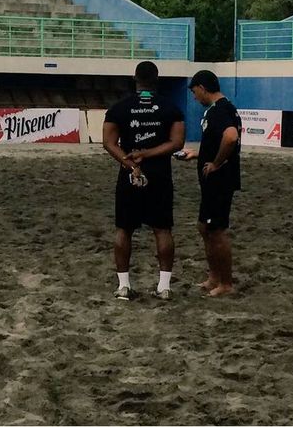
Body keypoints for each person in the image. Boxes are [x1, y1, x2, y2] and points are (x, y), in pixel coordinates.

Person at [102, 61, 185, 301]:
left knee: (124, 229)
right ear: (157, 79)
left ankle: (124, 286)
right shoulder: (170, 108)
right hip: (159, 173)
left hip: (129, 174)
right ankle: (164, 286)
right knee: (162, 229)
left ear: (134, 79)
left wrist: (130, 162)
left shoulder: (120, 108)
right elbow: (177, 142)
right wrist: (148, 155)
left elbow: (108, 142)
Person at [178, 70, 242, 298]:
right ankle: (215, 276)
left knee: (216, 231)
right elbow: (219, 140)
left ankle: (226, 283)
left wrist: (215, 163)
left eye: (195, 92)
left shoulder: (220, 111)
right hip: (213, 182)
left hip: (220, 182)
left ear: (203, 88)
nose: (195, 97)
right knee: (204, 228)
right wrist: (199, 154)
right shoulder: (220, 110)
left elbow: (231, 137)